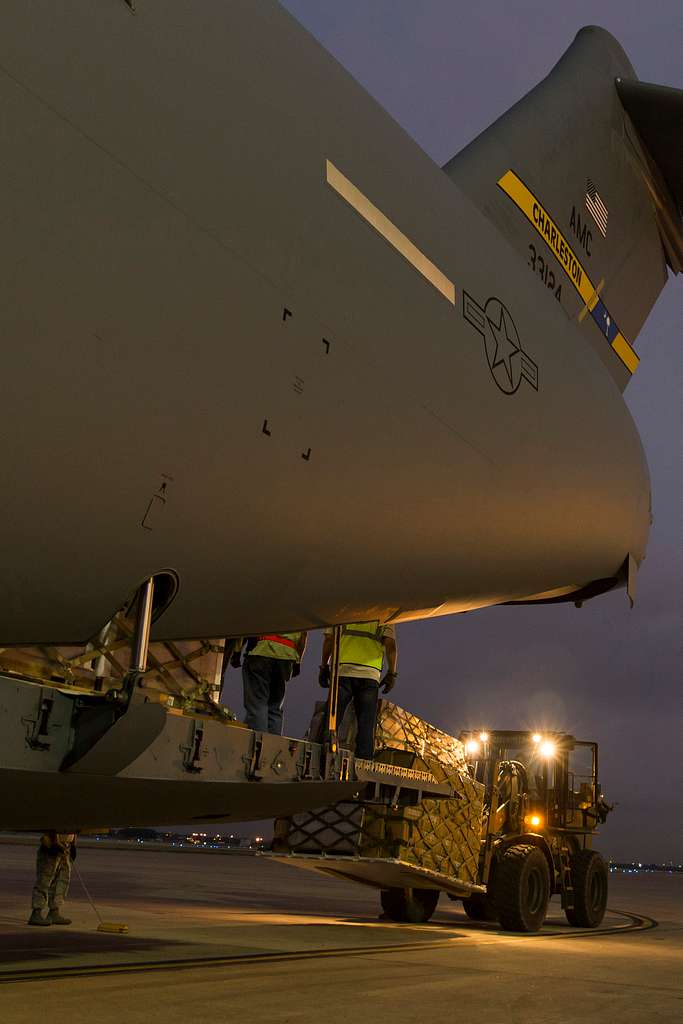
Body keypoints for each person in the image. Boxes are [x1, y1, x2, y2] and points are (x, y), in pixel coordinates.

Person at [319, 621, 397, 759]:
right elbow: (390, 645)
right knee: (366, 725)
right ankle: (363, 766)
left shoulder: (343, 607)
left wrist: (324, 666)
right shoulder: (385, 613)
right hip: (370, 675)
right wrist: (392, 673)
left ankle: (322, 758)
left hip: (343, 672)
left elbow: (329, 640)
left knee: (331, 720)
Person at [236, 632, 307, 735]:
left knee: (258, 704)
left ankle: (257, 746)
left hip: (262, 650)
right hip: (287, 655)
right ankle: (274, 747)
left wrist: (237, 650)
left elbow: (248, 622)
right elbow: (304, 634)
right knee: (275, 708)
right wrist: (298, 660)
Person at [28, 831, 77, 926]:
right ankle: (36, 912)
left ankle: (54, 911)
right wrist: (56, 843)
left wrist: (73, 844)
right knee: (44, 881)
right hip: (51, 846)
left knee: (61, 880)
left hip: (66, 847)